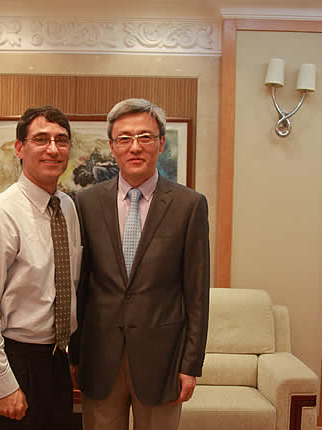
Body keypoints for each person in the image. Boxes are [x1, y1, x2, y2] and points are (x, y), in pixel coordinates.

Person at [70, 98, 210, 430]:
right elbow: (80, 286)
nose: (135, 147)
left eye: (145, 137)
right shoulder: (86, 203)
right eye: (125, 138)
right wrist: (74, 355)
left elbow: (197, 293)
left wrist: (190, 364)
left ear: (161, 143)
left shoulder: (189, 205)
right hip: (99, 357)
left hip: (162, 361)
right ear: (112, 146)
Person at [0, 106, 82, 430]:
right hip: (13, 362)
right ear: (19, 148)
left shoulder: (67, 208)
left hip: (55, 362)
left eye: (61, 140)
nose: (53, 149)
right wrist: (3, 384)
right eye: (41, 139)